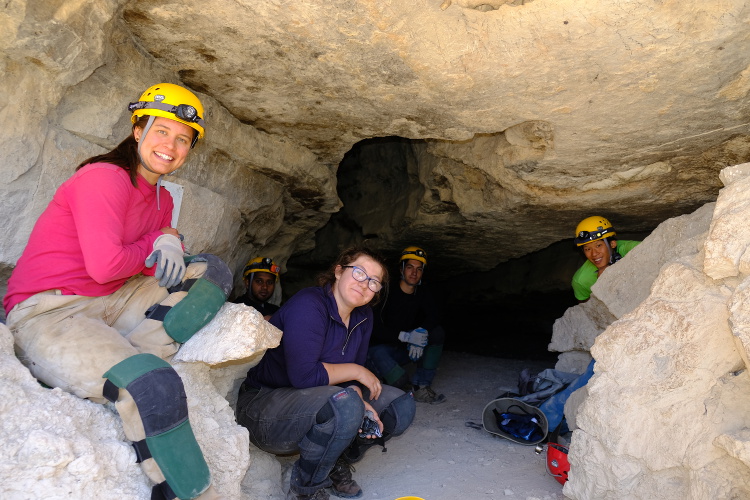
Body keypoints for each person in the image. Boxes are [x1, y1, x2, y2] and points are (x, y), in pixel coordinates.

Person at [3, 83, 233, 500]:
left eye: (183, 139)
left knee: (210, 272)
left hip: (111, 301)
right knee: (154, 386)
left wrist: (170, 236)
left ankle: (131, 350)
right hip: (50, 314)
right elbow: (106, 264)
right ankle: (194, 493)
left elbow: (150, 255)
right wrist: (158, 243)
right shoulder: (104, 177)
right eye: (162, 131)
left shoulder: (161, 198)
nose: (171, 145)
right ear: (138, 130)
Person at [236, 246, 416, 500]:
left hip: (315, 399)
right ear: (339, 271)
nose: (365, 284)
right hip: (265, 405)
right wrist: (357, 375)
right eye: (359, 273)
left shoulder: (363, 316)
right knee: (345, 405)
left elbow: (349, 377)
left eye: (374, 281)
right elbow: (304, 376)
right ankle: (306, 487)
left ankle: (334, 458)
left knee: (400, 405)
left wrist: (358, 394)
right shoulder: (309, 304)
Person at [367, 246, 447, 405]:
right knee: (399, 381)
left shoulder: (422, 292)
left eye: (419, 269)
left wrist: (420, 331)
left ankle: (421, 386)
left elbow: (434, 315)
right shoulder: (385, 292)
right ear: (401, 269)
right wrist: (404, 336)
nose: (414, 273)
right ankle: (386, 379)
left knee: (436, 333)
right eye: (409, 267)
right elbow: (372, 327)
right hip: (379, 350)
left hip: (402, 348)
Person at [571, 216, 640, 302]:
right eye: (587, 249)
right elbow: (587, 310)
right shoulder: (581, 280)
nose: (594, 254)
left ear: (612, 244)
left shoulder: (632, 249)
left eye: (598, 245)